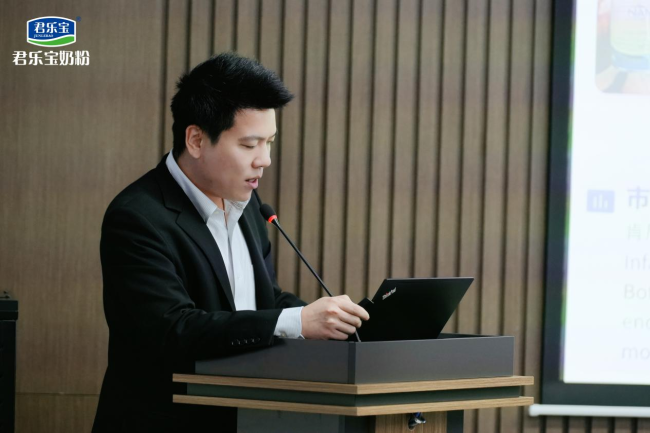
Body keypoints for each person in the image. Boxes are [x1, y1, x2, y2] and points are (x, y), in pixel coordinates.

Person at [92, 52, 369, 433]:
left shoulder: (248, 203)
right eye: (250, 145)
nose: (264, 160)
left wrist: (330, 320)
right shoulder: (138, 217)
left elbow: (261, 303)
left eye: (270, 142)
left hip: (249, 418)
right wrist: (297, 321)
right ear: (196, 139)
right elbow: (172, 330)